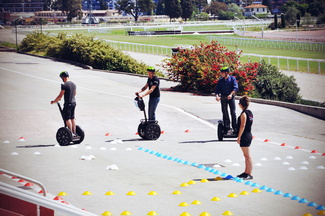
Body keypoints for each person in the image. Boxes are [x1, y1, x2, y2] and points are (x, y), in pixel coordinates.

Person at [51, 71, 77, 136]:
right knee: (72, 118)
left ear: (63, 77)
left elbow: (60, 96)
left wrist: (54, 101)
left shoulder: (64, 85)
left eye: (62, 78)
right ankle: (74, 132)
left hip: (68, 104)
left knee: (67, 118)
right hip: (74, 103)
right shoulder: (73, 84)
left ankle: (70, 133)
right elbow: (74, 94)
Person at [215, 66, 238, 134]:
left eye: (222, 73)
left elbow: (235, 88)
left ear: (226, 73)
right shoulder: (220, 81)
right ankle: (227, 128)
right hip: (223, 98)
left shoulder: (232, 79)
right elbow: (217, 90)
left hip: (231, 98)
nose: (221, 74)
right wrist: (217, 96)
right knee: (225, 113)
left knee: (233, 113)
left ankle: (235, 127)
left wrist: (231, 94)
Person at [236, 96, 254, 180]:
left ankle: (249, 173)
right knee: (246, 155)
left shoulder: (243, 114)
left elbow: (242, 126)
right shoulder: (249, 113)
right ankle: (246, 172)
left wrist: (239, 137)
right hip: (248, 134)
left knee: (247, 155)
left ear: (240, 104)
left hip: (245, 135)